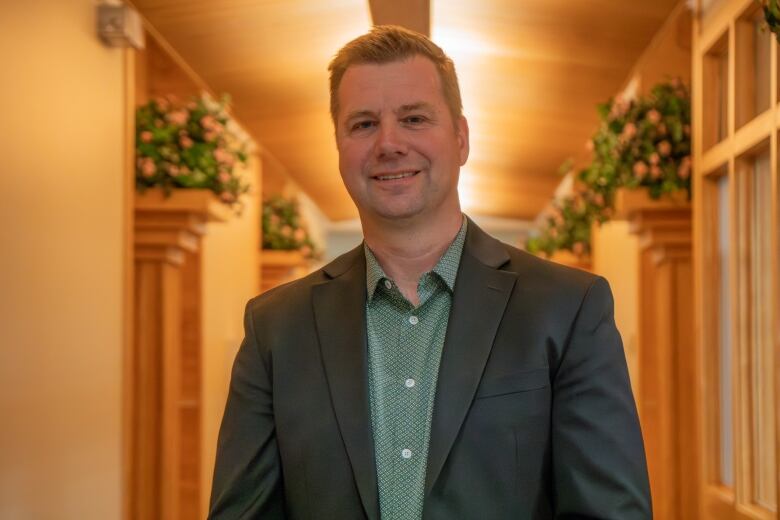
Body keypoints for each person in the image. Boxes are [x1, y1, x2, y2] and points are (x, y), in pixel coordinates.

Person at [209, 25, 651, 520]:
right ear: (339, 148)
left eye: (414, 118)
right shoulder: (275, 328)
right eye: (363, 124)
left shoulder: (567, 308)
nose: (389, 143)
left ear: (460, 139)